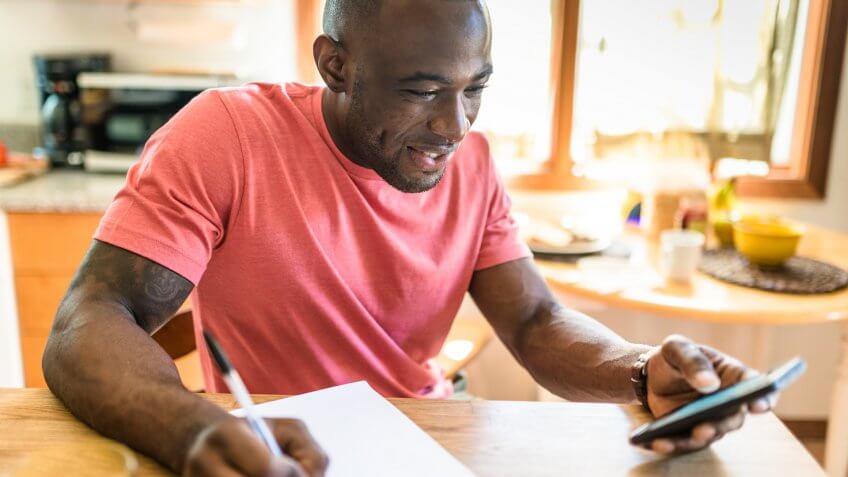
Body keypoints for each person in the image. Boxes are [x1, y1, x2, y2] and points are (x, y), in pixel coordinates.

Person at [42, 1, 777, 476]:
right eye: (423, 90)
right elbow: (89, 320)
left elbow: (534, 320)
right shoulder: (227, 135)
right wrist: (189, 426)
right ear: (335, 65)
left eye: (475, 88)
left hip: (425, 441)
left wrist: (644, 371)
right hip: (274, 451)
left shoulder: (473, 163)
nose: (456, 126)